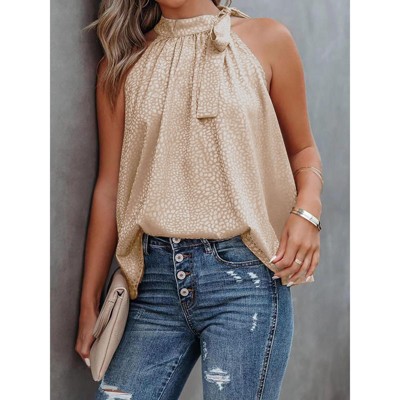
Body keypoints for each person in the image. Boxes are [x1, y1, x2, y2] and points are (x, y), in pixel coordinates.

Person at [75, 0, 323, 398]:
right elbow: (109, 189)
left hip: (245, 281)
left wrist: (308, 212)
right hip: (152, 287)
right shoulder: (121, 67)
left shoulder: (267, 40)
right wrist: (89, 303)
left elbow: (304, 151)